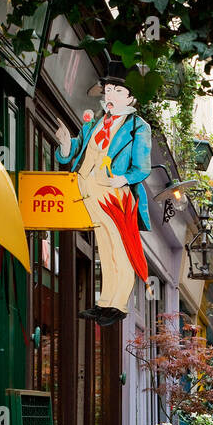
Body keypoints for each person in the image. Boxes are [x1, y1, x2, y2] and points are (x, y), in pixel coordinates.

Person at [55, 63, 152, 323]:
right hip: (88, 190)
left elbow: (142, 167)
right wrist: (65, 144)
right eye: (108, 90)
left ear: (130, 97)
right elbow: (76, 149)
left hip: (114, 195)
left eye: (117, 91)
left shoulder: (137, 127)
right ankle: (105, 301)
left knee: (119, 248)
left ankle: (118, 304)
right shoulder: (96, 123)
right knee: (103, 247)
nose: (110, 96)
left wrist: (122, 179)